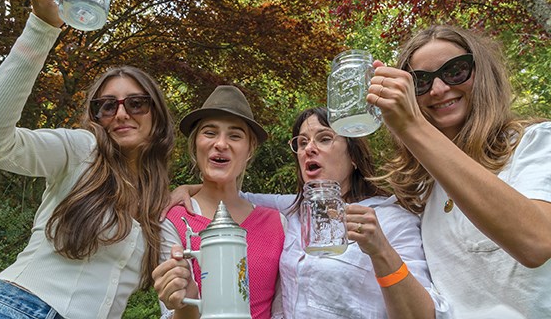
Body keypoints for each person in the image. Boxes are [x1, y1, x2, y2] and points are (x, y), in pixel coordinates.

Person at [0, 0, 175, 319]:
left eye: (136, 103)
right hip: (20, 308)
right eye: (106, 106)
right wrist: (41, 26)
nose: (121, 113)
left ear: (157, 116)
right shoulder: (82, 149)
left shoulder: (157, 203)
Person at [169, 106, 451, 318]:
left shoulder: (391, 219)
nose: (309, 149)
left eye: (324, 139)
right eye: (302, 143)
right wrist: (187, 188)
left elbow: (423, 314)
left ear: (353, 156)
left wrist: (381, 251)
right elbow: (229, 193)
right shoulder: (290, 211)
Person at [369, 24, 551, 318]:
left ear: (483, 74)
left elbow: (536, 243)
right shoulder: (421, 190)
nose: (439, 89)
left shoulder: (535, 143)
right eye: (421, 82)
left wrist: (412, 126)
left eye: (456, 71)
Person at [153, 85, 285, 319]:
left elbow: (281, 311)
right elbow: (171, 313)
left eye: (235, 135)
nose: (221, 144)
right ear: (195, 144)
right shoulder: (173, 220)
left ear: (250, 150)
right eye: (210, 132)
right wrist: (186, 301)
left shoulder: (277, 223)